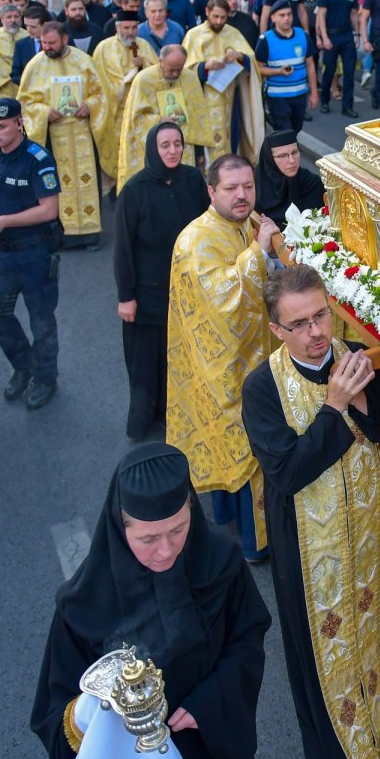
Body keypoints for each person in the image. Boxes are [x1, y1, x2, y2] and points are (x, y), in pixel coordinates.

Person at [241, 264, 380, 759]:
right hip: (303, 546)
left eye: (321, 316)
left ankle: (372, 722)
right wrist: (335, 408)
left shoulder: (359, 361)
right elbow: (288, 473)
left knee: (368, 626)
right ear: (277, 330)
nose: (317, 334)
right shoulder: (261, 388)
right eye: (300, 324)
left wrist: (361, 399)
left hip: (364, 527)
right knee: (317, 655)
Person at [30, 442, 273, 759]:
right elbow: (54, 717)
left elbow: (248, 636)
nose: (165, 550)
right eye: (148, 538)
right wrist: (89, 712)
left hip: (213, 749)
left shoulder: (221, 562)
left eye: (178, 530)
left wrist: (211, 702)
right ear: (120, 526)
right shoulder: (82, 605)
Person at [166, 154, 280, 563]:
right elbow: (224, 301)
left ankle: (237, 521)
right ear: (211, 191)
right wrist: (260, 254)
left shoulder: (245, 224)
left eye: (248, 187)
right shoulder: (196, 239)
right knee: (243, 446)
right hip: (221, 367)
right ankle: (255, 544)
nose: (242, 195)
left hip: (245, 356)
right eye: (231, 188)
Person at [114, 122, 209, 440]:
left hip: (186, 290)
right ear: (153, 149)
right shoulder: (134, 190)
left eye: (177, 144)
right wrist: (126, 296)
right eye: (165, 145)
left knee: (179, 357)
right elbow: (123, 248)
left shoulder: (193, 179)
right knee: (145, 361)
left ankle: (175, 414)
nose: (172, 151)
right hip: (147, 295)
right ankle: (143, 422)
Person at [0, 97, 63, 410]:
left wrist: (4, 221)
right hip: (1, 254)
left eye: (1, 126)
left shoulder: (38, 159)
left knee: (41, 321)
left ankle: (45, 378)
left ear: (19, 123)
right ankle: (24, 365)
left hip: (34, 252)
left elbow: (49, 210)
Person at [16, 21, 111, 249]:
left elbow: (102, 93)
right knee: (55, 182)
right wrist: (43, 112)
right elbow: (25, 101)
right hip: (52, 134)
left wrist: (89, 104)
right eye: (43, 43)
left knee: (87, 179)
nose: (46, 47)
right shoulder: (35, 65)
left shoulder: (83, 61)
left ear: (65, 40)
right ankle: (61, 235)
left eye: (51, 43)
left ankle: (90, 234)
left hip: (82, 133)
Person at [184, 0, 263, 164]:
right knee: (207, 147)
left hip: (230, 99)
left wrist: (240, 56)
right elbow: (185, 72)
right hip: (203, 99)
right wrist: (205, 66)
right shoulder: (194, 35)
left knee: (231, 140)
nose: (219, 21)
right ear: (207, 12)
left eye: (223, 18)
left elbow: (252, 64)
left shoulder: (233, 33)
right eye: (215, 17)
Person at [117, 44, 210, 183]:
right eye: (171, 70)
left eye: (179, 70)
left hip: (185, 148)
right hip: (155, 148)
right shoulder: (144, 80)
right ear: (160, 61)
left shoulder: (190, 78)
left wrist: (200, 152)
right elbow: (135, 118)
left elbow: (199, 118)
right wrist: (159, 120)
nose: (175, 74)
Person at [94, 9, 157, 169]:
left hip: (140, 110)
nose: (131, 32)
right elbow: (97, 82)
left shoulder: (144, 46)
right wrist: (125, 81)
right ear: (118, 28)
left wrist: (143, 65)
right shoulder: (103, 48)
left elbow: (157, 75)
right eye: (126, 28)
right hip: (115, 112)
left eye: (134, 28)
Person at [255, 0, 318, 132]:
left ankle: (289, 151)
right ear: (273, 18)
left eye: (289, 14)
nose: (287, 18)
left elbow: (310, 65)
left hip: (300, 95)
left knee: (296, 128)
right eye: (282, 15)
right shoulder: (265, 40)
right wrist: (278, 72)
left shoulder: (302, 35)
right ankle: (286, 152)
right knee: (285, 131)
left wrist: (314, 92)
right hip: (278, 97)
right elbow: (259, 69)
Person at [255, 128, 324, 226]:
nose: (292, 160)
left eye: (294, 152)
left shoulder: (313, 184)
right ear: (269, 159)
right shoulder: (255, 187)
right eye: (283, 156)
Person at [314, 0, 359, 117]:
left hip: (347, 35)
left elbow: (354, 14)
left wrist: (357, 34)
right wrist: (324, 37)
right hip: (331, 35)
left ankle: (347, 107)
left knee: (349, 72)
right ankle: (324, 101)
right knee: (329, 70)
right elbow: (321, 15)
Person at [0, 3, 23, 98]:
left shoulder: (28, 36)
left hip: (22, 84)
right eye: (9, 17)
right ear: (2, 19)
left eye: (16, 16)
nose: (13, 20)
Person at [9, 3, 46, 84]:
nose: (29, 30)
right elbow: (15, 75)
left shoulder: (59, 42)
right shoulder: (21, 45)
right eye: (26, 26)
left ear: (44, 25)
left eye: (33, 27)